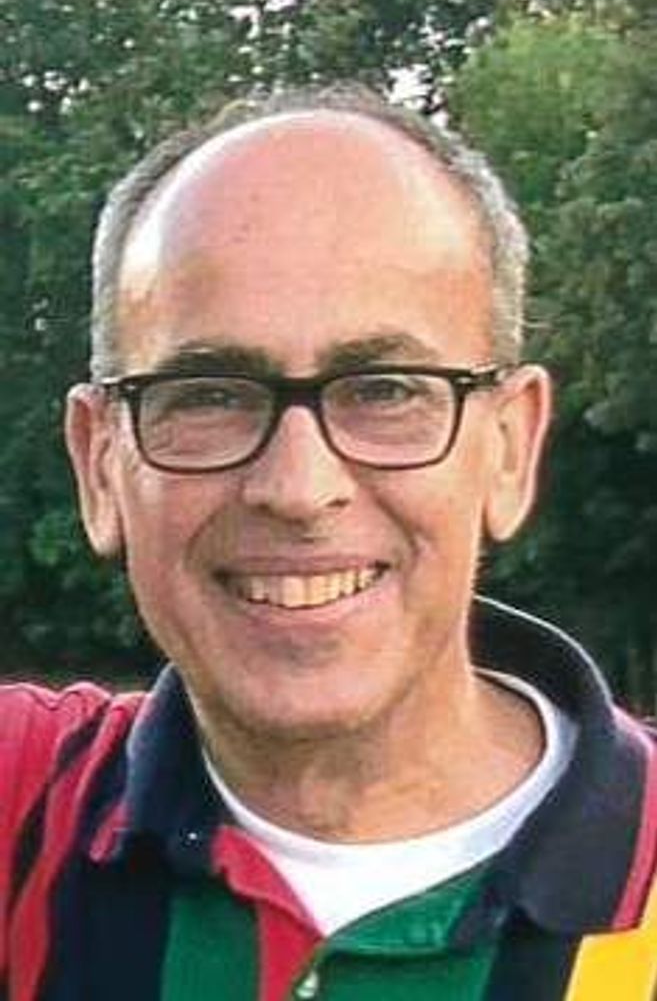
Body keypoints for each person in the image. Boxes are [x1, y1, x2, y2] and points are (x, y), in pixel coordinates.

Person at [1, 85, 656, 1001]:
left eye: (385, 390)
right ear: (100, 463)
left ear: (510, 447)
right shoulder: (22, 807)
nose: (298, 488)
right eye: (209, 395)